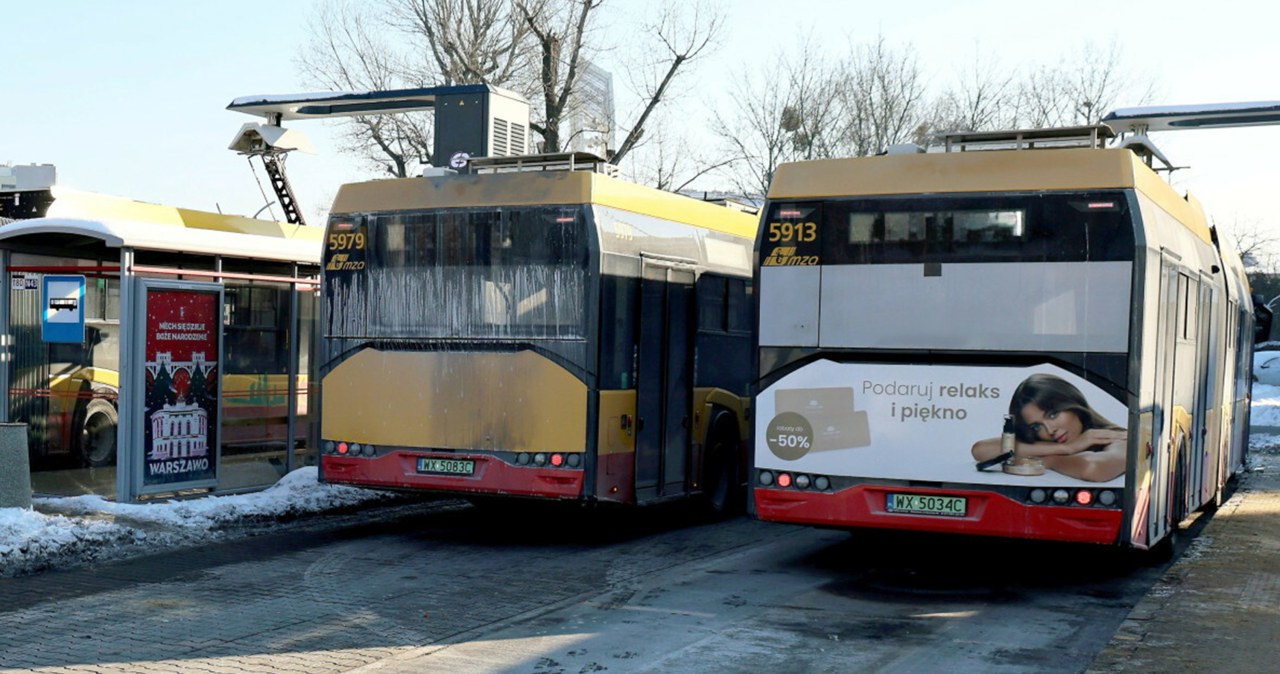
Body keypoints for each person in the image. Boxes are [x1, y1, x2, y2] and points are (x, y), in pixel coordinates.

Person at [971, 373, 1127, 482]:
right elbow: (981, 450)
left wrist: (1050, 460)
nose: (1050, 430)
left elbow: (1093, 468)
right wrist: (1067, 448)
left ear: (1074, 403)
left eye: (1053, 415)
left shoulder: (1117, 437)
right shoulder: (1051, 445)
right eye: (1037, 426)